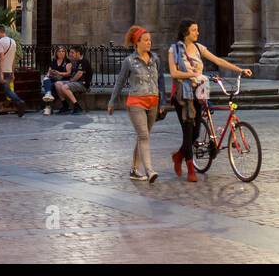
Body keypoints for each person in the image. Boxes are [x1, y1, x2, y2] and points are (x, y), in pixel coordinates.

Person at [167, 19, 252, 182]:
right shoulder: (174, 50)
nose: (197, 33)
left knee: (196, 132)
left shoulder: (199, 48)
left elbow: (218, 61)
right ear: (186, 32)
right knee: (188, 131)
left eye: (197, 30)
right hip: (182, 96)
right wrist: (192, 75)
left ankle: (178, 155)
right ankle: (190, 168)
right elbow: (174, 73)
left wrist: (240, 70)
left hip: (200, 92)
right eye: (194, 30)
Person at [107, 25, 168, 183]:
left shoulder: (155, 59)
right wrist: (112, 101)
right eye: (146, 40)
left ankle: (134, 170)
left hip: (153, 102)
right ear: (137, 42)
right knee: (143, 136)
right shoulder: (129, 61)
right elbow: (120, 82)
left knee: (143, 137)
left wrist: (163, 101)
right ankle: (149, 170)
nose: (149, 43)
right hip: (136, 102)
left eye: (150, 40)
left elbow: (160, 80)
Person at [0, 25, 26, 118]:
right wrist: (12, 72)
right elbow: (13, 59)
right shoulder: (13, 42)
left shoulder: (0, 42)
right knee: (7, 90)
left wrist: (0, 74)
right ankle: (19, 101)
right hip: (8, 70)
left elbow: (1, 58)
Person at [54, 44, 92, 115]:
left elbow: (79, 74)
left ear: (78, 53)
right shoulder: (77, 61)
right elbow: (73, 73)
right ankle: (65, 106)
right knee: (57, 84)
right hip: (76, 82)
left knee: (64, 87)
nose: (70, 54)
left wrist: (71, 80)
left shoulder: (83, 61)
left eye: (72, 52)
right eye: (70, 52)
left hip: (83, 84)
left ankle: (77, 106)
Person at [41, 46, 72, 115]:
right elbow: (49, 71)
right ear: (56, 53)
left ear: (65, 53)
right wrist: (49, 74)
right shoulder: (53, 61)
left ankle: (48, 108)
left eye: (63, 51)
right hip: (53, 79)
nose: (61, 53)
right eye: (59, 51)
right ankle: (48, 95)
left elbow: (68, 73)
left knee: (50, 87)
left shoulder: (67, 62)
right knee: (46, 79)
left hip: (62, 80)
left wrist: (59, 73)